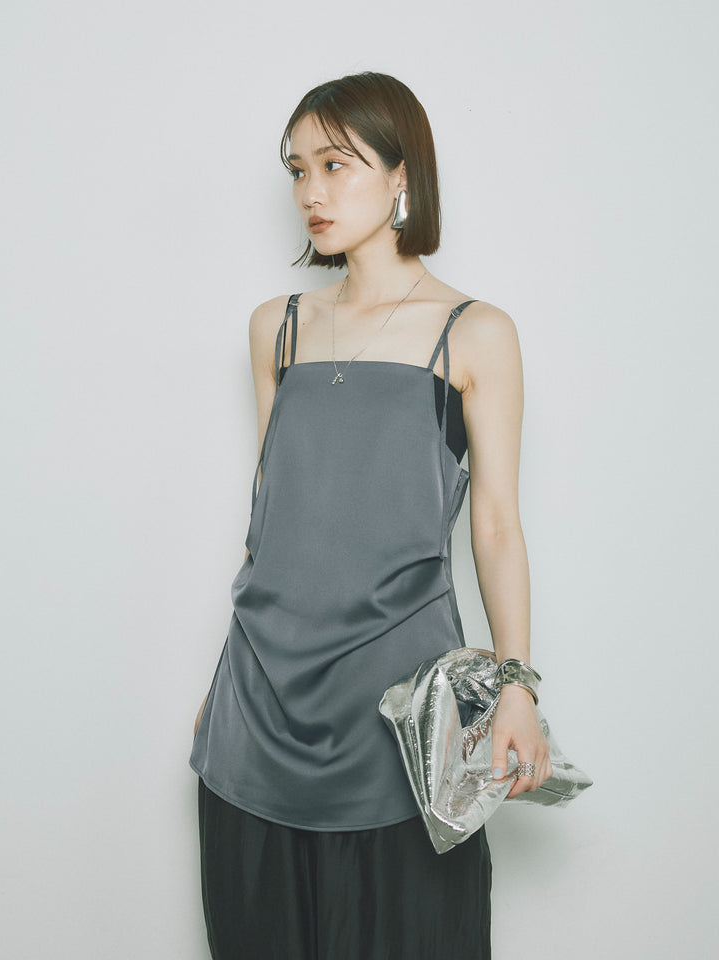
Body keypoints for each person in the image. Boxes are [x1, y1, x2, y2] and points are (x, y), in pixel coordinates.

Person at [189, 71, 551, 960]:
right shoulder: (276, 327)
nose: (310, 192)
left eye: (334, 165)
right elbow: (271, 519)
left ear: (401, 177)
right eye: (297, 170)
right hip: (257, 714)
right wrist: (220, 690)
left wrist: (517, 684)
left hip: (399, 722)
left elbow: (495, 524)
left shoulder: (474, 332)